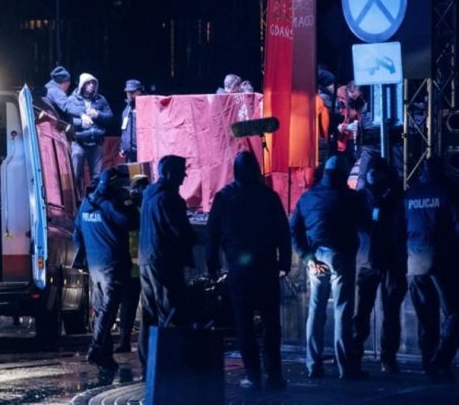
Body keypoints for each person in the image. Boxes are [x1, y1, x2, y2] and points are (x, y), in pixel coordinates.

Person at [207, 151, 291, 390]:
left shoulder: (224, 197)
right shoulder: (269, 196)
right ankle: (274, 374)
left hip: (239, 268)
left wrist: (212, 263)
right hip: (266, 265)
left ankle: (252, 375)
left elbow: (213, 233)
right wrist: (284, 262)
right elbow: (283, 232)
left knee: (243, 322)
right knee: (271, 323)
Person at [290, 155, 371, 380]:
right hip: (341, 256)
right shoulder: (349, 197)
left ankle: (313, 365)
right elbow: (366, 223)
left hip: (316, 257)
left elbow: (294, 230)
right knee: (342, 311)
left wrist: (308, 258)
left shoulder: (307, 197)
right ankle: (345, 368)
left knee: (315, 311)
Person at [73, 168, 140, 370]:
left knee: (101, 308)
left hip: (94, 267)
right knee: (108, 309)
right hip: (112, 265)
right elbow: (132, 222)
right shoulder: (112, 206)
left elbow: (77, 234)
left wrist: (85, 256)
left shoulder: (86, 205)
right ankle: (96, 348)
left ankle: (105, 356)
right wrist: (128, 203)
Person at [137, 155, 197, 373]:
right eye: (182, 171)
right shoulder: (170, 198)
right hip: (164, 260)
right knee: (169, 310)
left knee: (149, 312)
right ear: (171, 173)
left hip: (146, 259)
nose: (184, 175)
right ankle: (167, 363)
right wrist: (196, 239)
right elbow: (179, 230)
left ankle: (147, 361)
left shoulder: (149, 195)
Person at [405, 156, 459, 383]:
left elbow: (400, 228)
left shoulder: (410, 194)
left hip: (414, 263)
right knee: (454, 313)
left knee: (426, 318)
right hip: (442, 261)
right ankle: (441, 360)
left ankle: (429, 365)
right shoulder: (449, 191)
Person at [351, 156, 407, 374]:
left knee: (388, 311)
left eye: (376, 171)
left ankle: (387, 357)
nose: (373, 174)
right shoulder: (363, 197)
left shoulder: (392, 195)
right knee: (364, 312)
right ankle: (358, 354)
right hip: (371, 259)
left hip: (384, 259)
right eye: (370, 171)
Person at [114, 174, 149, 353]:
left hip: (141, 263)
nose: (140, 192)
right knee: (129, 302)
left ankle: (133, 341)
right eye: (138, 188)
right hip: (136, 263)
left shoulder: (143, 206)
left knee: (134, 303)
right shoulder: (131, 208)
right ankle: (125, 340)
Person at [66, 73, 114, 196]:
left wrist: (98, 114)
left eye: (94, 83)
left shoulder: (100, 100)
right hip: (79, 142)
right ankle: (77, 201)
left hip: (96, 143)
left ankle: (95, 202)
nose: (92, 85)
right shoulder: (72, 99)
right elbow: (68, 117)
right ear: (82, 84)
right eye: (88, 83)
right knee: (76, 175)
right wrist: (81, 121)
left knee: (96, 177)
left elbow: (110, 118)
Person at [119, 79, 144, 163]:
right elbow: (124, 130)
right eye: (127, 92)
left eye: (132, 92)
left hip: (142, 150)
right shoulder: (127, 109)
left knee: (144, 171)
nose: (129, 94)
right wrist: (123, 147)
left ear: (139, 92)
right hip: (130, 151)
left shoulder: (146, 107)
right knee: (132, 171)